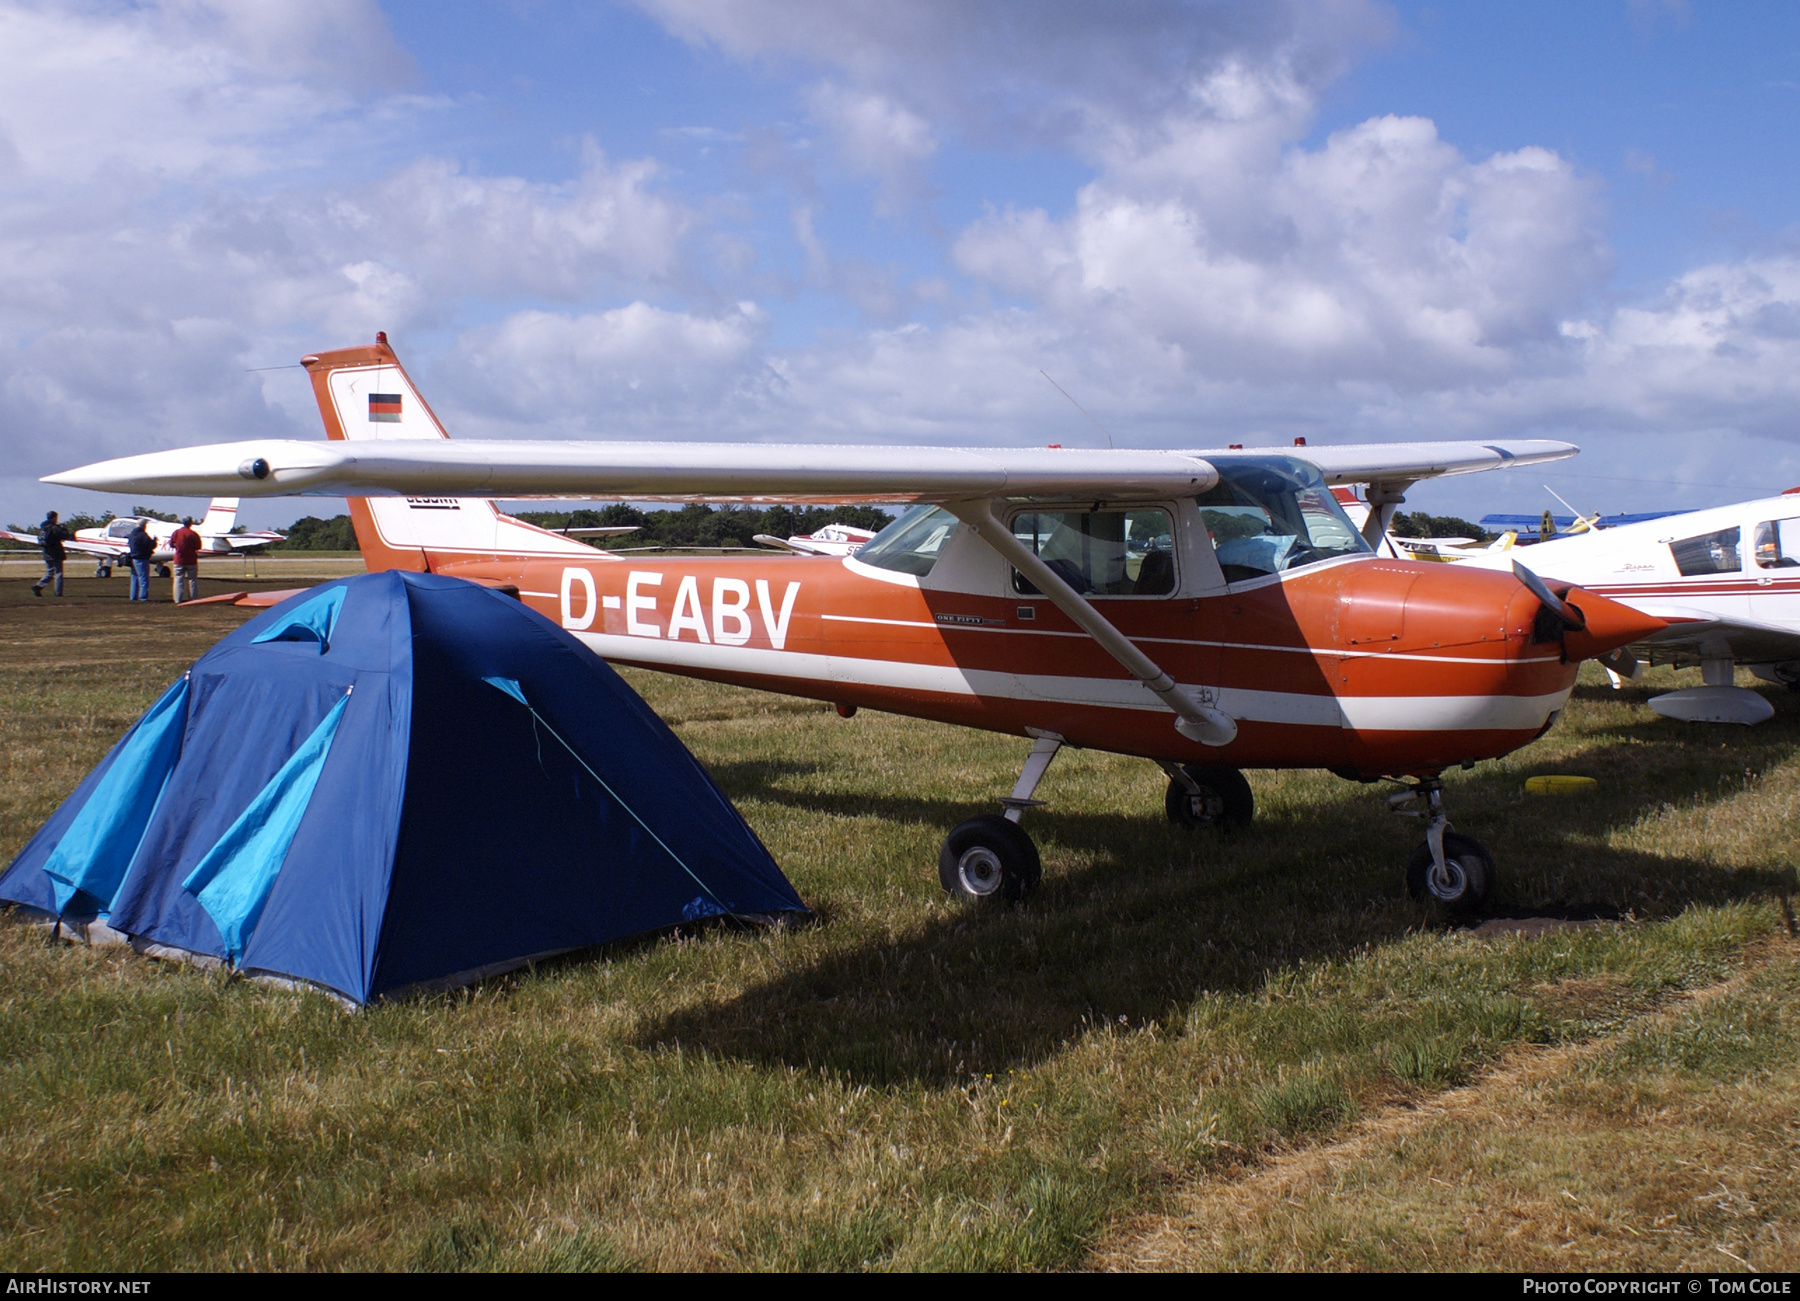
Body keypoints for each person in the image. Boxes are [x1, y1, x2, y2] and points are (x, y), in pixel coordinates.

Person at [31, 510, 69, 597]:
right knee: (58, 572)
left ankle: (39, 586)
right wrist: (64, 528)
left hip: (46, 552)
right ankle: (58, 593)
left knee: (50, 572)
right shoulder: (54, 527)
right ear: (54, 517)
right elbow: (64, 536)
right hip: (55, 552)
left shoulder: (43, 528)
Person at [169, 516, 201, 603]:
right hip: (191, 560)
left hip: (179, 560)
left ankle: (178, 599)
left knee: (178, 580)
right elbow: (198, 546)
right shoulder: (193, 534)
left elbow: (171, 544)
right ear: (190, 523)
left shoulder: (176, 533)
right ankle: (193, 598)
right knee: (192, 580)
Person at [127, 519, 155, 602]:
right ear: (143, 526)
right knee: (143, 579)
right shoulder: (143, 535)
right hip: (142, 558)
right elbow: (150, 545)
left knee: (134, 578)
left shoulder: (132, 534)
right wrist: (154, 541)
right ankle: (143, 597)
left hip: (133, 558)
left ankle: (133, 596)